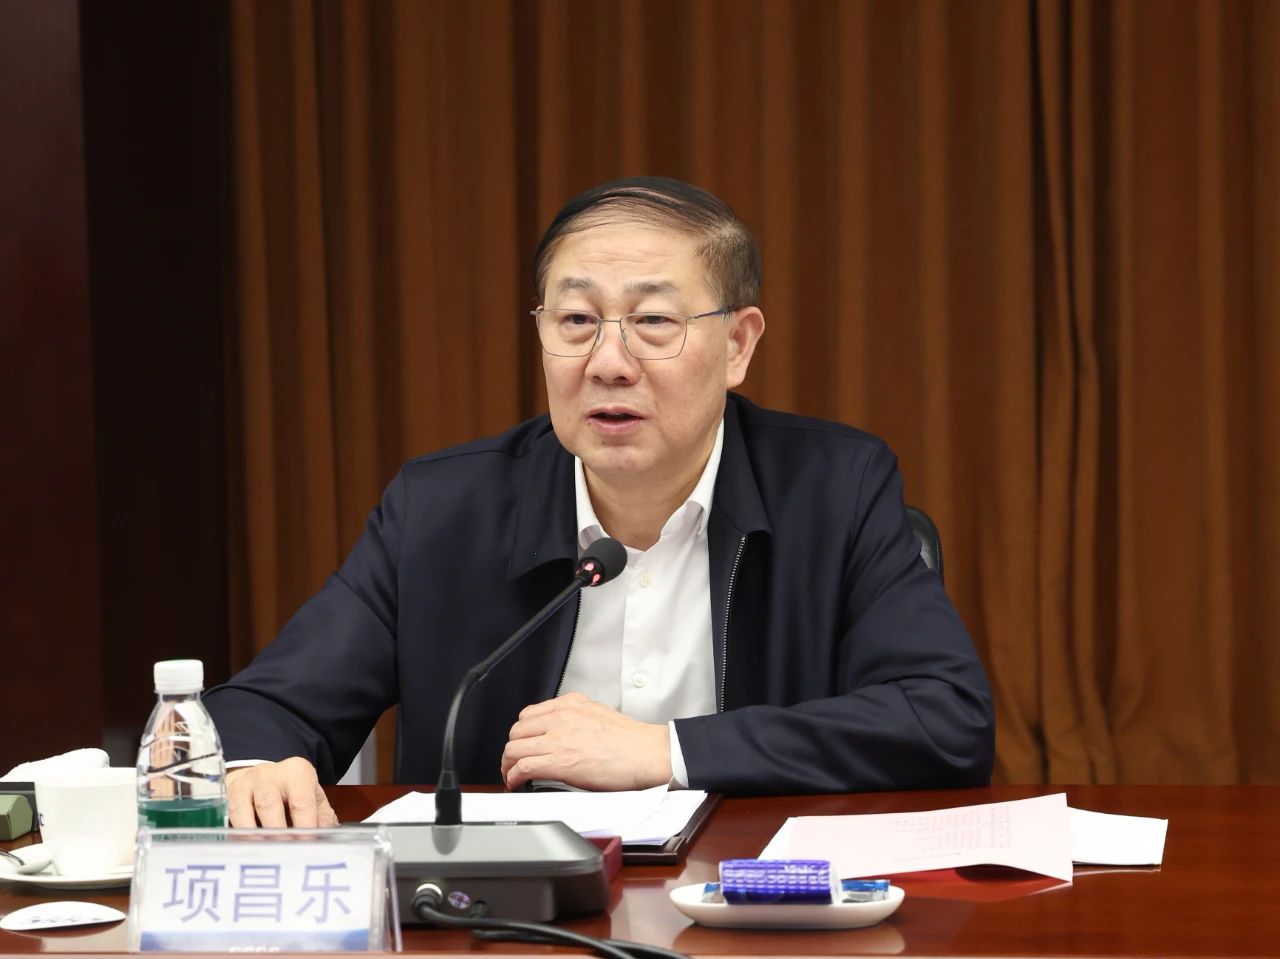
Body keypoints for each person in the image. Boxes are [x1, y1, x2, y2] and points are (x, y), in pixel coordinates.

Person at [206, 176, 995, 828]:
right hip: (498, 922)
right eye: (578, 320)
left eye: (653, 322)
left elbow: (945, 719)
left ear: (738, 344)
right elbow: (263, 707)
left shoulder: (835, 488)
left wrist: (666, 751)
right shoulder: (442, 510)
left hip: (753, 907)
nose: (608, 361)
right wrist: (254, 766)